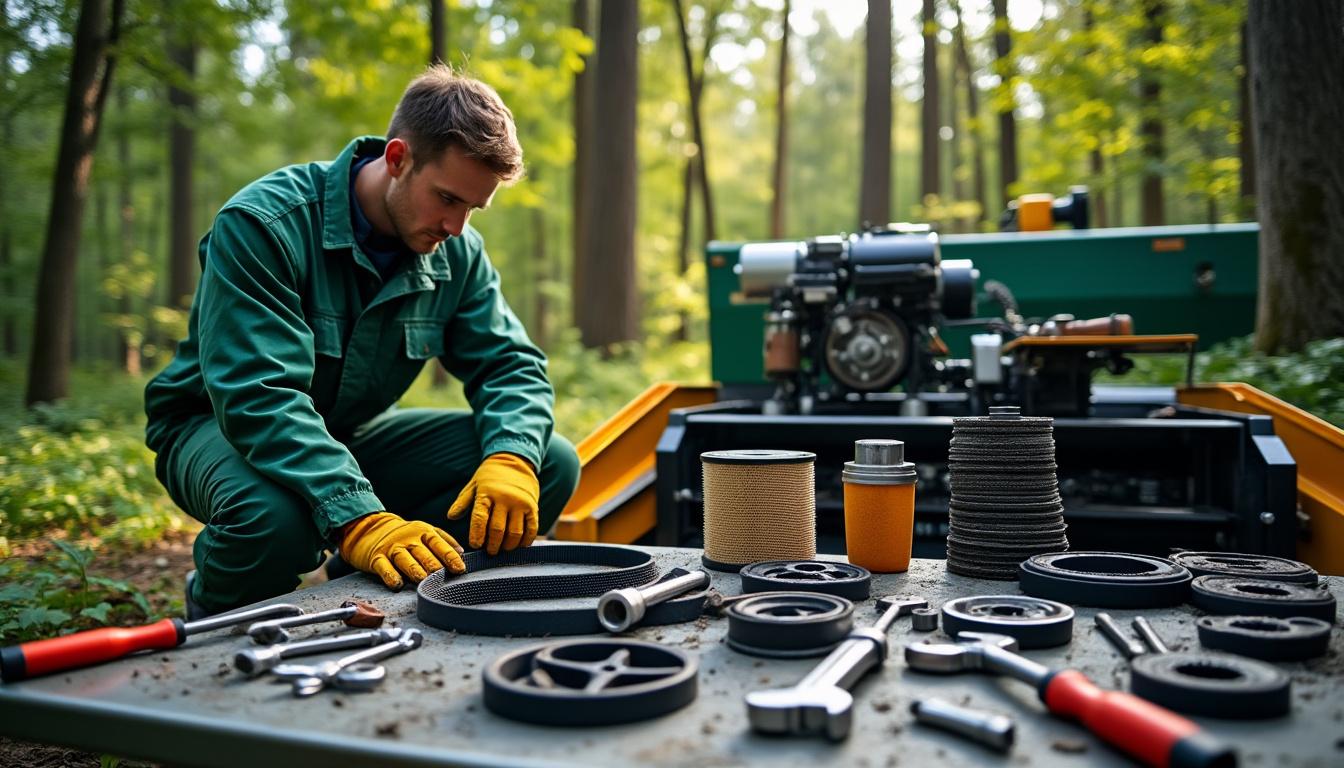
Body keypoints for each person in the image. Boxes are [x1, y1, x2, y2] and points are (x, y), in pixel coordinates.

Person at [144, 66, 580, 618]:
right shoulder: (264, 224)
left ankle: (381, 595)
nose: (456, 225)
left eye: (473, 208)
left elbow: (510, 365)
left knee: (547, 463)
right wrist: (360, 518)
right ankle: (215, 623)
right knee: (275, 518)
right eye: (447, 198)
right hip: (216, 424)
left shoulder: (457, 251)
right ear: (397, 158)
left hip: (348, 432)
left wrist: (512, 457)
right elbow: (258, 395)